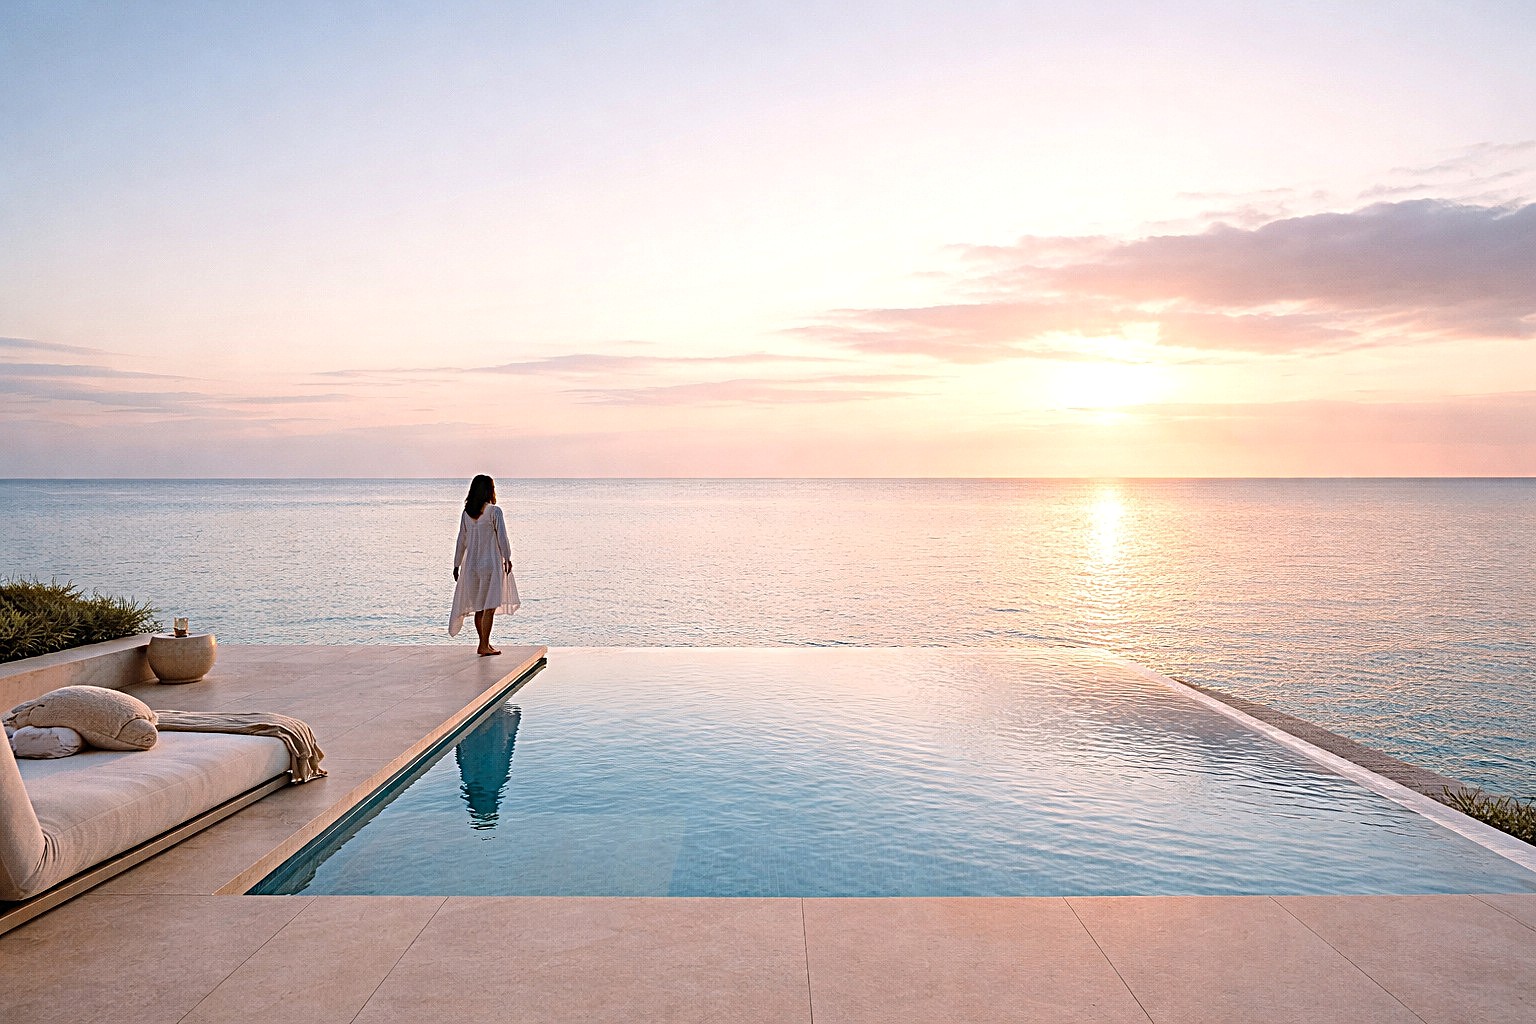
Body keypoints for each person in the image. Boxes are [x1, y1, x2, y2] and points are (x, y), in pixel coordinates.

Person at [449, 474, 520, 655]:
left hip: (471, 565)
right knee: (489, 606)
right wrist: (507, 557)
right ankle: (484, 645)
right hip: (490, 564)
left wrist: (457, 565)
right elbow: (502, 538)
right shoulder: (495, 512)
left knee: (480, 606)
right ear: (489, 490)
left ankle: (483, 644)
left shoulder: (467, 513)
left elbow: (461, 541)